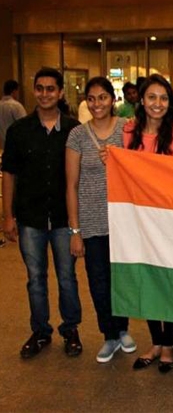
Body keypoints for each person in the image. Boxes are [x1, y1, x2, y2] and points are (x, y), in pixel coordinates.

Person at [2, 68, 83, 359]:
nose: (45, 94)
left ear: (60, 92)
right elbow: (8, 174)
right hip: (30, 218)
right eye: (40, 88)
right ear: (34, 91)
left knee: (66, 277)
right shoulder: (19, 130)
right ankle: (40, 331)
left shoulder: (74, 130)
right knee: (35, 278)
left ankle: (70, 330)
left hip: (63, 219)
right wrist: (7, 216)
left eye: (51, 89)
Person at [65, 77, 136, 363]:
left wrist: (120, 159)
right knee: (98, 281)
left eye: (103, 97)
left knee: (123, 278)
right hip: (92, 221)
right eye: (92, 98)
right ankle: (109, 334)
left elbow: (139, 168)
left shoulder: (127, 128)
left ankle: (123, 329)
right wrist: (75, 230)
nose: (97, 104)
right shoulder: (77, 135)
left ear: (112, 99)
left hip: (123, 220)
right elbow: (71, 185)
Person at [123, 74, 173, 373]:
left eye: (164, 98)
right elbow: (124, 170)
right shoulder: (129, 131)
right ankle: (156, 342)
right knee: (146, 279)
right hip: (138, 218)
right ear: (141, 99)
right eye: (152, 97)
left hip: (168, 218)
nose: (158, 103)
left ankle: (169, 344)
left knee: (168, 280)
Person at [0, 79, 27, 149]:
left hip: (2, 145)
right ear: (14, 91)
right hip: (16, 145)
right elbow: (25, 126)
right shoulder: (16, 106)